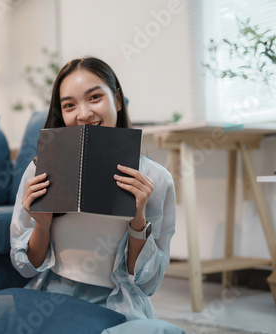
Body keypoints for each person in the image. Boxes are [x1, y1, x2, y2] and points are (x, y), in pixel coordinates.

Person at [10, 57, 185, 333]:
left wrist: (138, 220)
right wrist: (41, 224)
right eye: (69, 105)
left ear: (117, 100)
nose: (83, 114)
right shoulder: (38, 171)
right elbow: (27, 267)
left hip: (117, 307)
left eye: (94, 98)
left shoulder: (155, 179)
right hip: (52, 301)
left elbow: (147, 284)